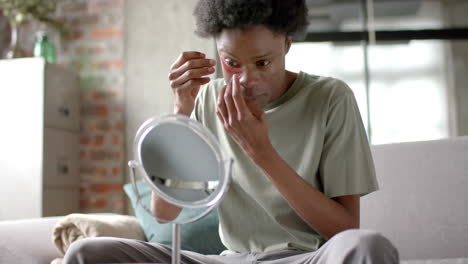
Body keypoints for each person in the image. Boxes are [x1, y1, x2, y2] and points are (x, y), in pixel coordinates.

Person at [64, 0, 399, 263]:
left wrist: (261, 152)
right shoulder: (209, 98)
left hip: (306, 258)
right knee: (87, 254)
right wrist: (182, 111)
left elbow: (344, 228)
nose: (246, 79)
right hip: (229, 259)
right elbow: (165, 213)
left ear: (287, 44)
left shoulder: (330, 98)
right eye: (232, 63)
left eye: (262, 63)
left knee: (368, 247)